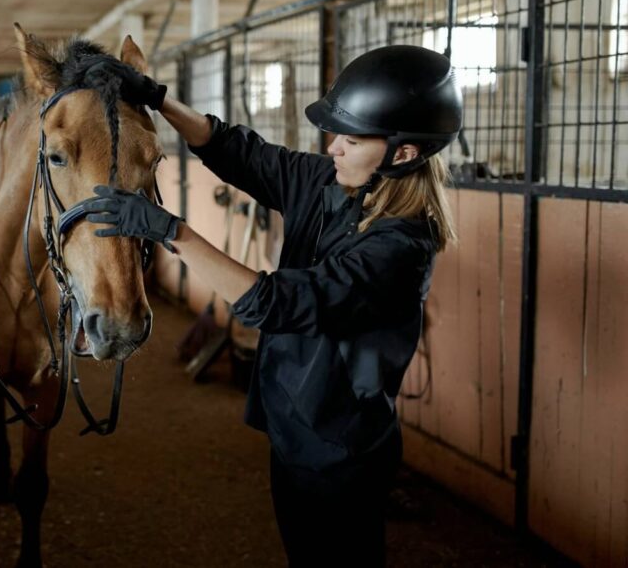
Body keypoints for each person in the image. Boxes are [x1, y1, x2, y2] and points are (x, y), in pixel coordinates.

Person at [81, 44, 462, 567]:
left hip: (338, 448)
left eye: (351, 140)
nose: (333, 148)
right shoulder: (328, 182)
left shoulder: (400, 248)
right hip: (292, 425)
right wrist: (159, 99)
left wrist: (172, 233)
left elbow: (276, 303)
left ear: (402, 155)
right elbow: (238, 151)